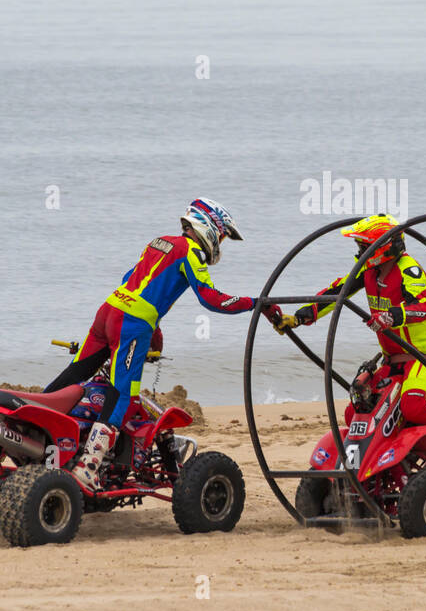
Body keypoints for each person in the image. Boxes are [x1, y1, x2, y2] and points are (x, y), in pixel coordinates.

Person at [50, 198, 274, 491]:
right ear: (208, 227)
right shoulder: (191, 252)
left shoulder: (160, 242)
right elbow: (212, 299)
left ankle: (34, 424)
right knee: (123, 398)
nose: (220, 242)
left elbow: (129, 278)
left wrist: (154, 326)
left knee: (76, 372)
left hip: (109, 309)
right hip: (132, 324)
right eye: (221, 235)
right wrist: (255, 304)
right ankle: (87, 468)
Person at [272, 214, 426, 467]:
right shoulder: (367, 272)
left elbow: (420, 308)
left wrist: (393, 316)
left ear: (382, 248)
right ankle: (391, 462)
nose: (360, 253)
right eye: (359, 247)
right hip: (393, 361)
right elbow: (334, 293)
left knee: (413, 404)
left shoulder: (410, 270)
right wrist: (298, 318)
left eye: (364, 247)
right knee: (357, 410)